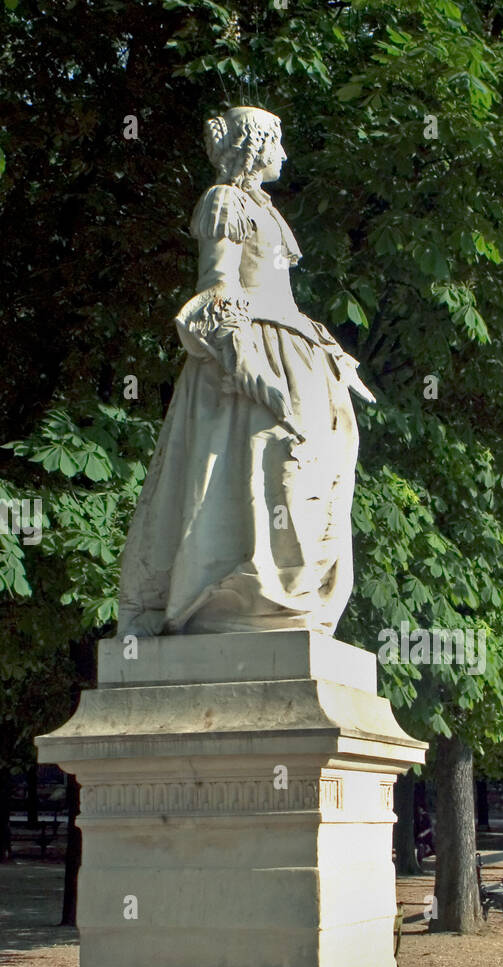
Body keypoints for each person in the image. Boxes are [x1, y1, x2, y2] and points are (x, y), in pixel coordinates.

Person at [118, 106, 374, 638]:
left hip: (294, 355)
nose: (284, 155)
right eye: (277, 143)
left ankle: (285, 597)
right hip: (248, 355)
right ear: (256, 147)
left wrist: (334, 358)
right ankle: (243, 599)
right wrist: (243, 359)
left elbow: (282, 296)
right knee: (266, 471)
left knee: (309, 476)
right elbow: (219, 285)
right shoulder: (225, 201)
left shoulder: (267, 210)